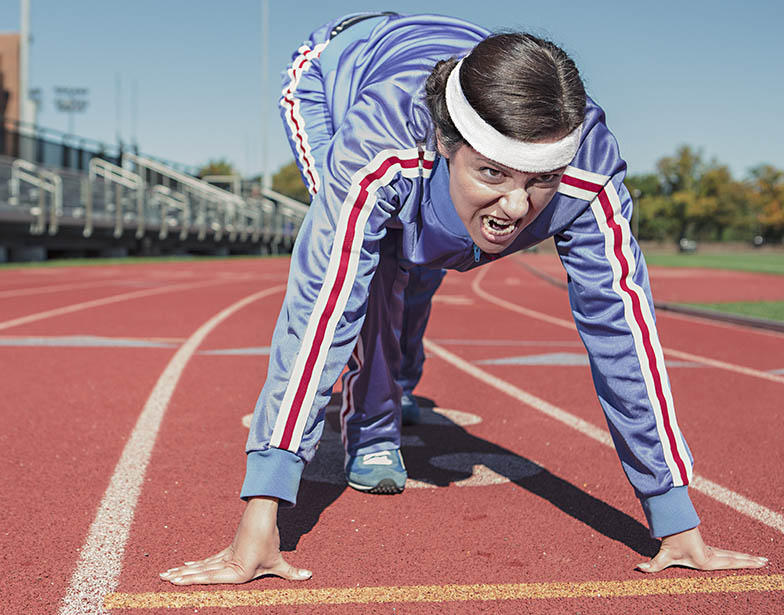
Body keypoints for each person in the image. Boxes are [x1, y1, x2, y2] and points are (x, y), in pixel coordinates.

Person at [161, 12, 767, 585]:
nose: (517, 208)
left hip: (455, 69)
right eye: (494, 175)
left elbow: (624, 335)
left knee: (429, 255)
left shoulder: (589, 173)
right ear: (449, 144)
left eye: (540, 182)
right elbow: (321, 308)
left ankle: (400, 376)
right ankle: (373, 428)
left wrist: (676, 519)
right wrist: (262, 515)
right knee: (373, 268)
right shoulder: (381, 145)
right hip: (335, 72)